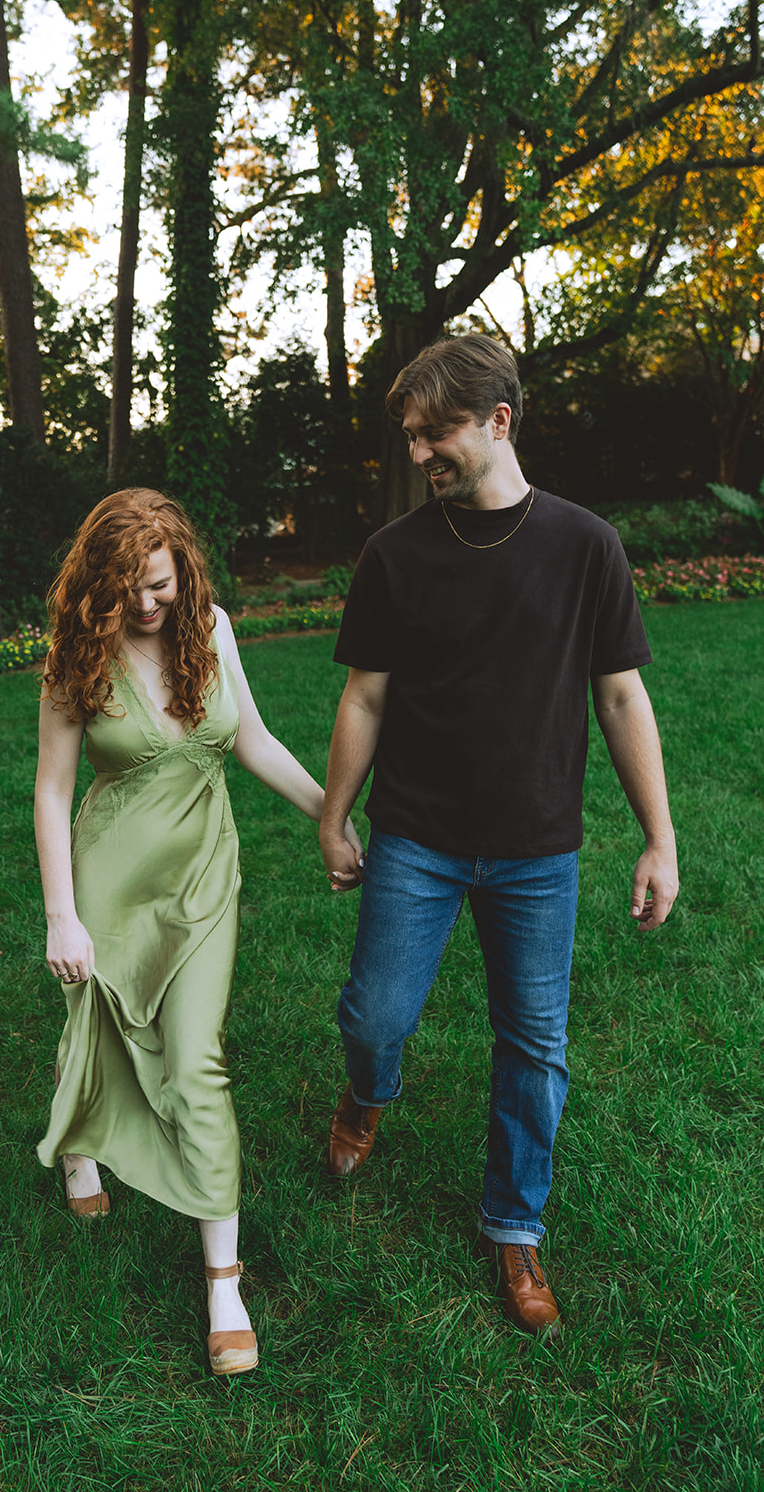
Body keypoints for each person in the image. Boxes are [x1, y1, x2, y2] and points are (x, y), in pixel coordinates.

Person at [318, 334, 678, 1338]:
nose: (417, 454)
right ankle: (365, 1095)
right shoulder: (394, 555)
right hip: (416, 838)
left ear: (497, 421)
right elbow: (364, 696)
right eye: (410, 436)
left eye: (433, 434)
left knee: (533, 1043)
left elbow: (619, 696)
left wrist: (658, 839)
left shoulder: (584, 546)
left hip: (535, 849)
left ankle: (513, 1226)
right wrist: (334, 814)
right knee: (375, 1018)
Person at [35, 488, 356, 1376]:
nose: (147, 604)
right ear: (99, 581)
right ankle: (80, 1147)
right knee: (99, 1022)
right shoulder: (75, 655)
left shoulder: (209, 630)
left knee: (195, 1062)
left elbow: (252, 740)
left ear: (184, 574)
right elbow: (52, 792)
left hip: (205, 879)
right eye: (128, 588)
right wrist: (62, 914)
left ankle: (223, 1282)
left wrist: (330, 820)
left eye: (160, 584)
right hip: (109, 880)